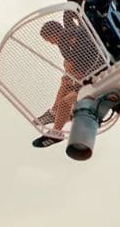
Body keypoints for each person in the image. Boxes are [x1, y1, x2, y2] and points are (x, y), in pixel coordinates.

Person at [33, 15, 101, 147]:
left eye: (50, 40)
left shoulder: (77, 37)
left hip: (96, 75)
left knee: (66, 80)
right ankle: (56, 131)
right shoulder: (67, 45)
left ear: (54, 35)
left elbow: (70, 16)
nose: (52, 43)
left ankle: (54, 114)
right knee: (65, 101)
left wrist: (71, 74)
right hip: (86, 83)